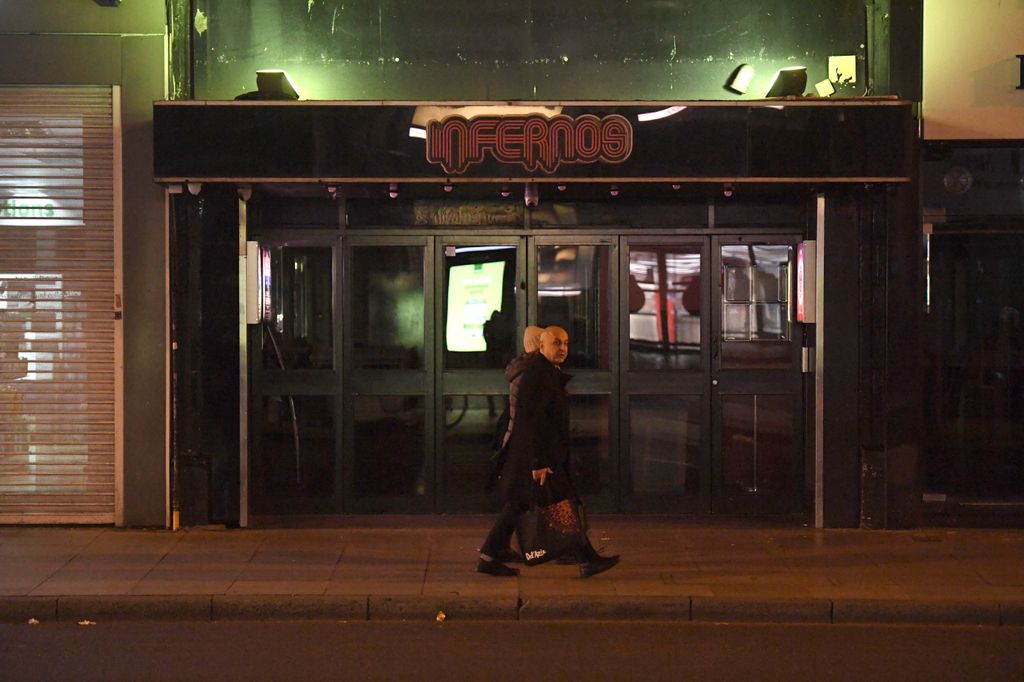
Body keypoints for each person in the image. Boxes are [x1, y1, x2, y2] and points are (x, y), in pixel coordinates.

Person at [477, 325, 620, 579]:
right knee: (560, 505)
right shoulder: (537, 373)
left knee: (520, 505)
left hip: (541, 457)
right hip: (541, 459)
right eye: (556, 343)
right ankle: (586, 558)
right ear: (541, 346)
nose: (563, 348)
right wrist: (538, 462)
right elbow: (534, 421)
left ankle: (490, 555)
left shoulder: (545, 371)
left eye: (565, 343)